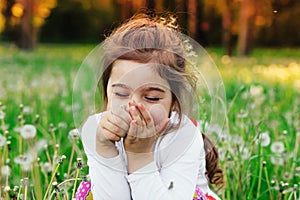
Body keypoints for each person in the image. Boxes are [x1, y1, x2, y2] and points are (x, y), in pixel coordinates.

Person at [77, 12, 223, 200]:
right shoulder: (97, 130)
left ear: (174, 102)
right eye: (121, 94)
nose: (134, 107)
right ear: (107, 92)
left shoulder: (183, 136)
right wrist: (104, 147)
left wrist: (139, 155)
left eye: (152, 98)